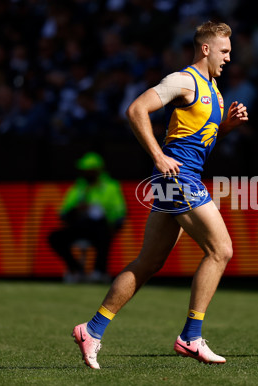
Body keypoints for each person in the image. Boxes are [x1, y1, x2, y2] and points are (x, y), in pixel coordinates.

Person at [71, 21, 248, 369]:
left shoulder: (215, 90)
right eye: (225, 51)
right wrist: (157, 155)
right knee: (221, 250)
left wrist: (226, 126)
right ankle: (191, 337)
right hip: (177, 177)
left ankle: (91, 330)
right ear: (206, 49)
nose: (230, 58)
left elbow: (199, 142)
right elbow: (136, 110)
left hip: (183, 177)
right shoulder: (183, 81)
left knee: (148, 263)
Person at [48, 152, 126, 284]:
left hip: (101, 227)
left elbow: (119, 210)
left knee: (104, 234)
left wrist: (108, 217)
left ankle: (99, 271)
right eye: (84, 171)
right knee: (54, 238)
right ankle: (76, 268)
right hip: (80, 226)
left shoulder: (111, 187)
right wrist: (77, 209)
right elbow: (64, 212)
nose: (85, 174)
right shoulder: (78, 187)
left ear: (97, 170)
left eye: (89, 171)